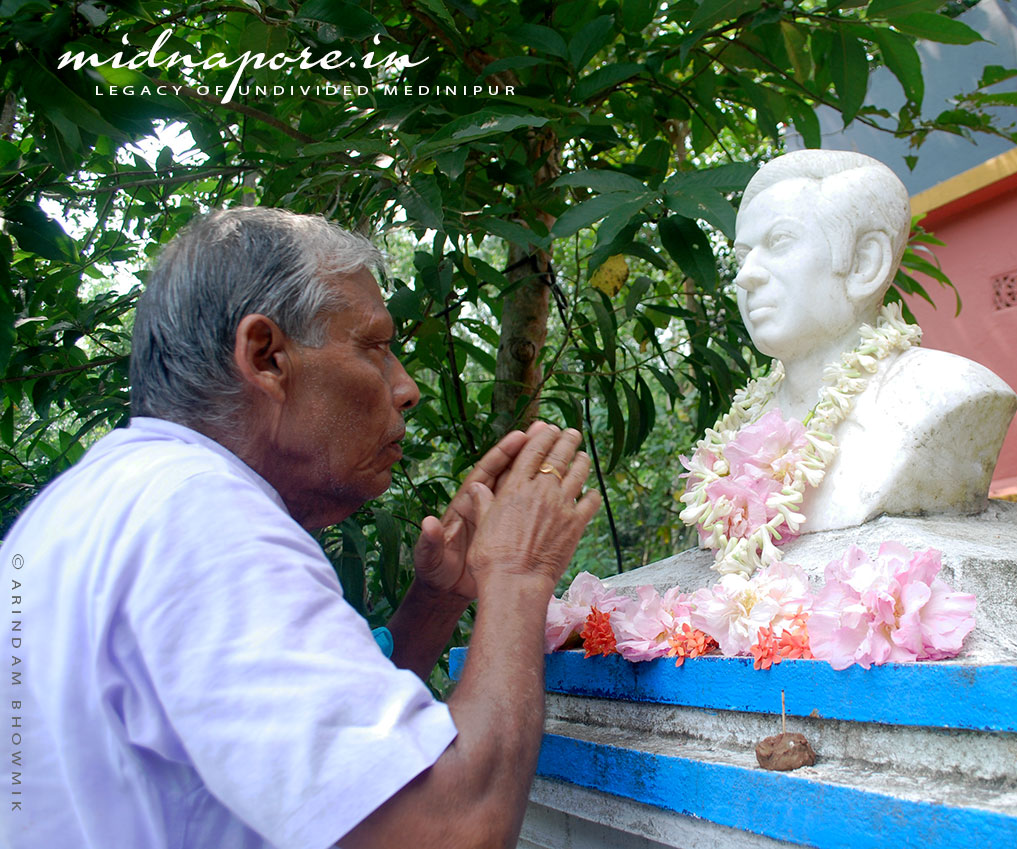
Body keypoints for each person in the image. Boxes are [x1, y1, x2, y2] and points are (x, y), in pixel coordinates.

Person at [0, 208, 601, 849]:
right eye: (373, 346)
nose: (406, 388)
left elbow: (332, 751)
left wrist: (439, 600)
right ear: (266, 356)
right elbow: (451, 829)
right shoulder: (202, 520)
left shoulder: (119, 495)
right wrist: (517, 575)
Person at [731, 149, 1017, 532]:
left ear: (865, 263)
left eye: (780, 242)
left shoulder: (944, 393)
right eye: (742, 256)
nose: (745, 276)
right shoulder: (738, 433)